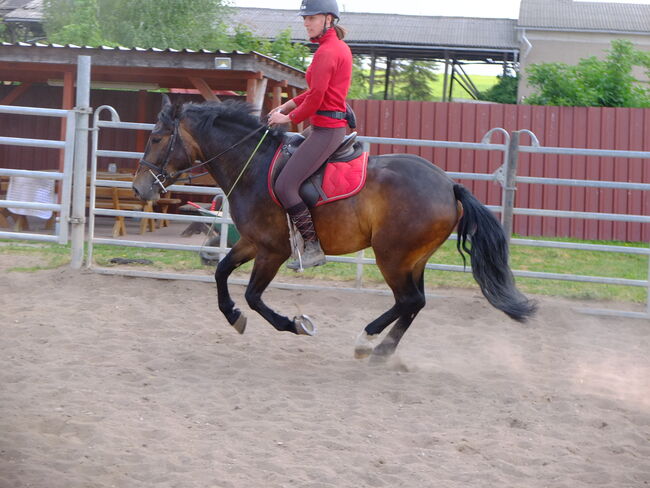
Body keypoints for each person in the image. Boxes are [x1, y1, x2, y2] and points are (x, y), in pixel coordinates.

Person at [268, 0, 352, 269]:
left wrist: (287, 118)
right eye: (304, 18)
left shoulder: (327, 52)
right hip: (321, 126)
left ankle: (313, 247)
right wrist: (287, 104)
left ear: (328, 19)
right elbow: (316, 91)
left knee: (284, 185)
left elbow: (316, 98)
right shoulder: (330, 48)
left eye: (311, 18)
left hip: (326, 130)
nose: (306, 23)